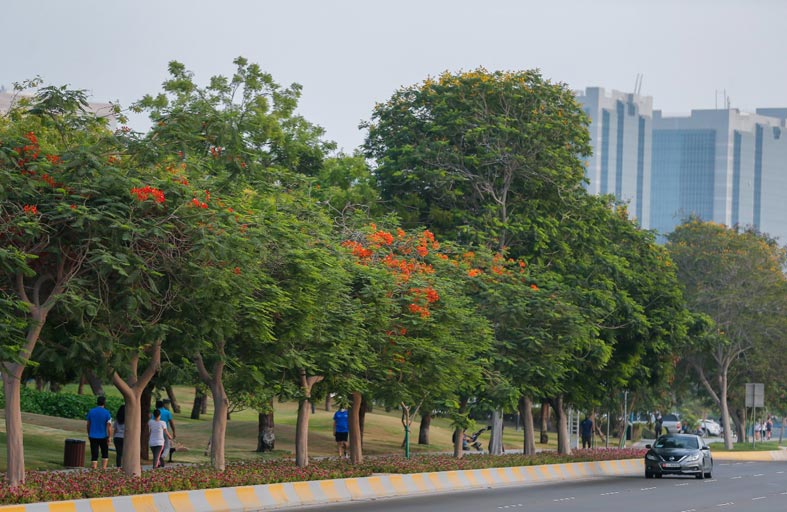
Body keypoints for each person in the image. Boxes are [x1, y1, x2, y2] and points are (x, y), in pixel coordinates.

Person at [86, 396, 113, 469]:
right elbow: (109, 426)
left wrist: (89, 433)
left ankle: (94, 468)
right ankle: (103, 468)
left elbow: (88, 424)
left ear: (97, 402)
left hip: (93, 435)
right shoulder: (107, 412)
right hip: (103, 435)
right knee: (104, 453)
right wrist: (109, 436)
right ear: (104, 403)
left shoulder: (91, 411)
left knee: (94, 453)